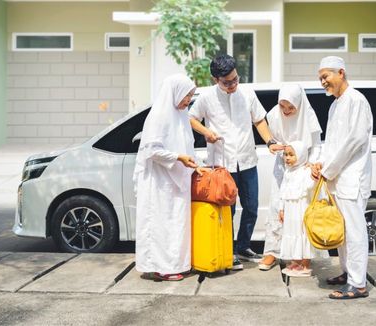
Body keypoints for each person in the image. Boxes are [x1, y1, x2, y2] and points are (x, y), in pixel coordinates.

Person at [189, 54, 276, 270]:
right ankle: (227, 250)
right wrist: (206, 132)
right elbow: (191, 118)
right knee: (227, 210)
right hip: (221, 163)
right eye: (227, 82)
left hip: (247, 160)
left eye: (235, 79)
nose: (233, 84)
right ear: (215, 79)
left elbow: (259, 120)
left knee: (252, 206)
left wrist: (270, 141)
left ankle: (243, 246)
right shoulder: (207, 97)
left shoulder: (246, 93)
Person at [133, 74, 206, 281]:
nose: (188, 101)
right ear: (175, 93)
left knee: (176, 225)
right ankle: (160, 268)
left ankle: (176, 264)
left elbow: (186, 145)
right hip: (159, 182)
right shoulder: (159, 116)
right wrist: (178, 157)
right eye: (187, 96)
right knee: (161, 224)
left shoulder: (181, 116)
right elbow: (151, 150)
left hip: (177, 179)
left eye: (191, 96)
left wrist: (193, 164)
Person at [312, 56, 373, 299]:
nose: (323, 82)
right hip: (337, 177)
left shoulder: (356, 100)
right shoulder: (336, 104)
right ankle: (348, 273)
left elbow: (355, 141)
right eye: (320, 79)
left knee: (356, 232)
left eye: (325, 77)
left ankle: (358, 284)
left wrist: (329, 170)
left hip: (352, 177)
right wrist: (321, 163)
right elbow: (332, 143)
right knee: (343, 231)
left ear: (341, 73)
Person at [258, 84, 323, 271]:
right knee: (277, 207)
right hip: (284, 164)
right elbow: (273, 139)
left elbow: (316, 144)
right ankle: (272, 252)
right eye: (282, 106)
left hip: (304, 167)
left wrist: (312, 163)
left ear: (299, 105)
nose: (286, 111)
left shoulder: (308, 115)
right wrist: (274, 146)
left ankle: (301, 256)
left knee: (301, 212)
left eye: (291, 107)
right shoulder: (273, 115)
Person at [278, 141, 328, 277]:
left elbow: (310, 186)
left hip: (302, 209)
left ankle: (305, 264)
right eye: (285, 155)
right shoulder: (288, 172)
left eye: (291, 155)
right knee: (292, 232)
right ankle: (296, 261)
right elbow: (283, 191)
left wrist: (314, 177)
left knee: (302, 233)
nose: (287, 158)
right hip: (290, 210)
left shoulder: (306, 170)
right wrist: (281, 209)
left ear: (300, 155)